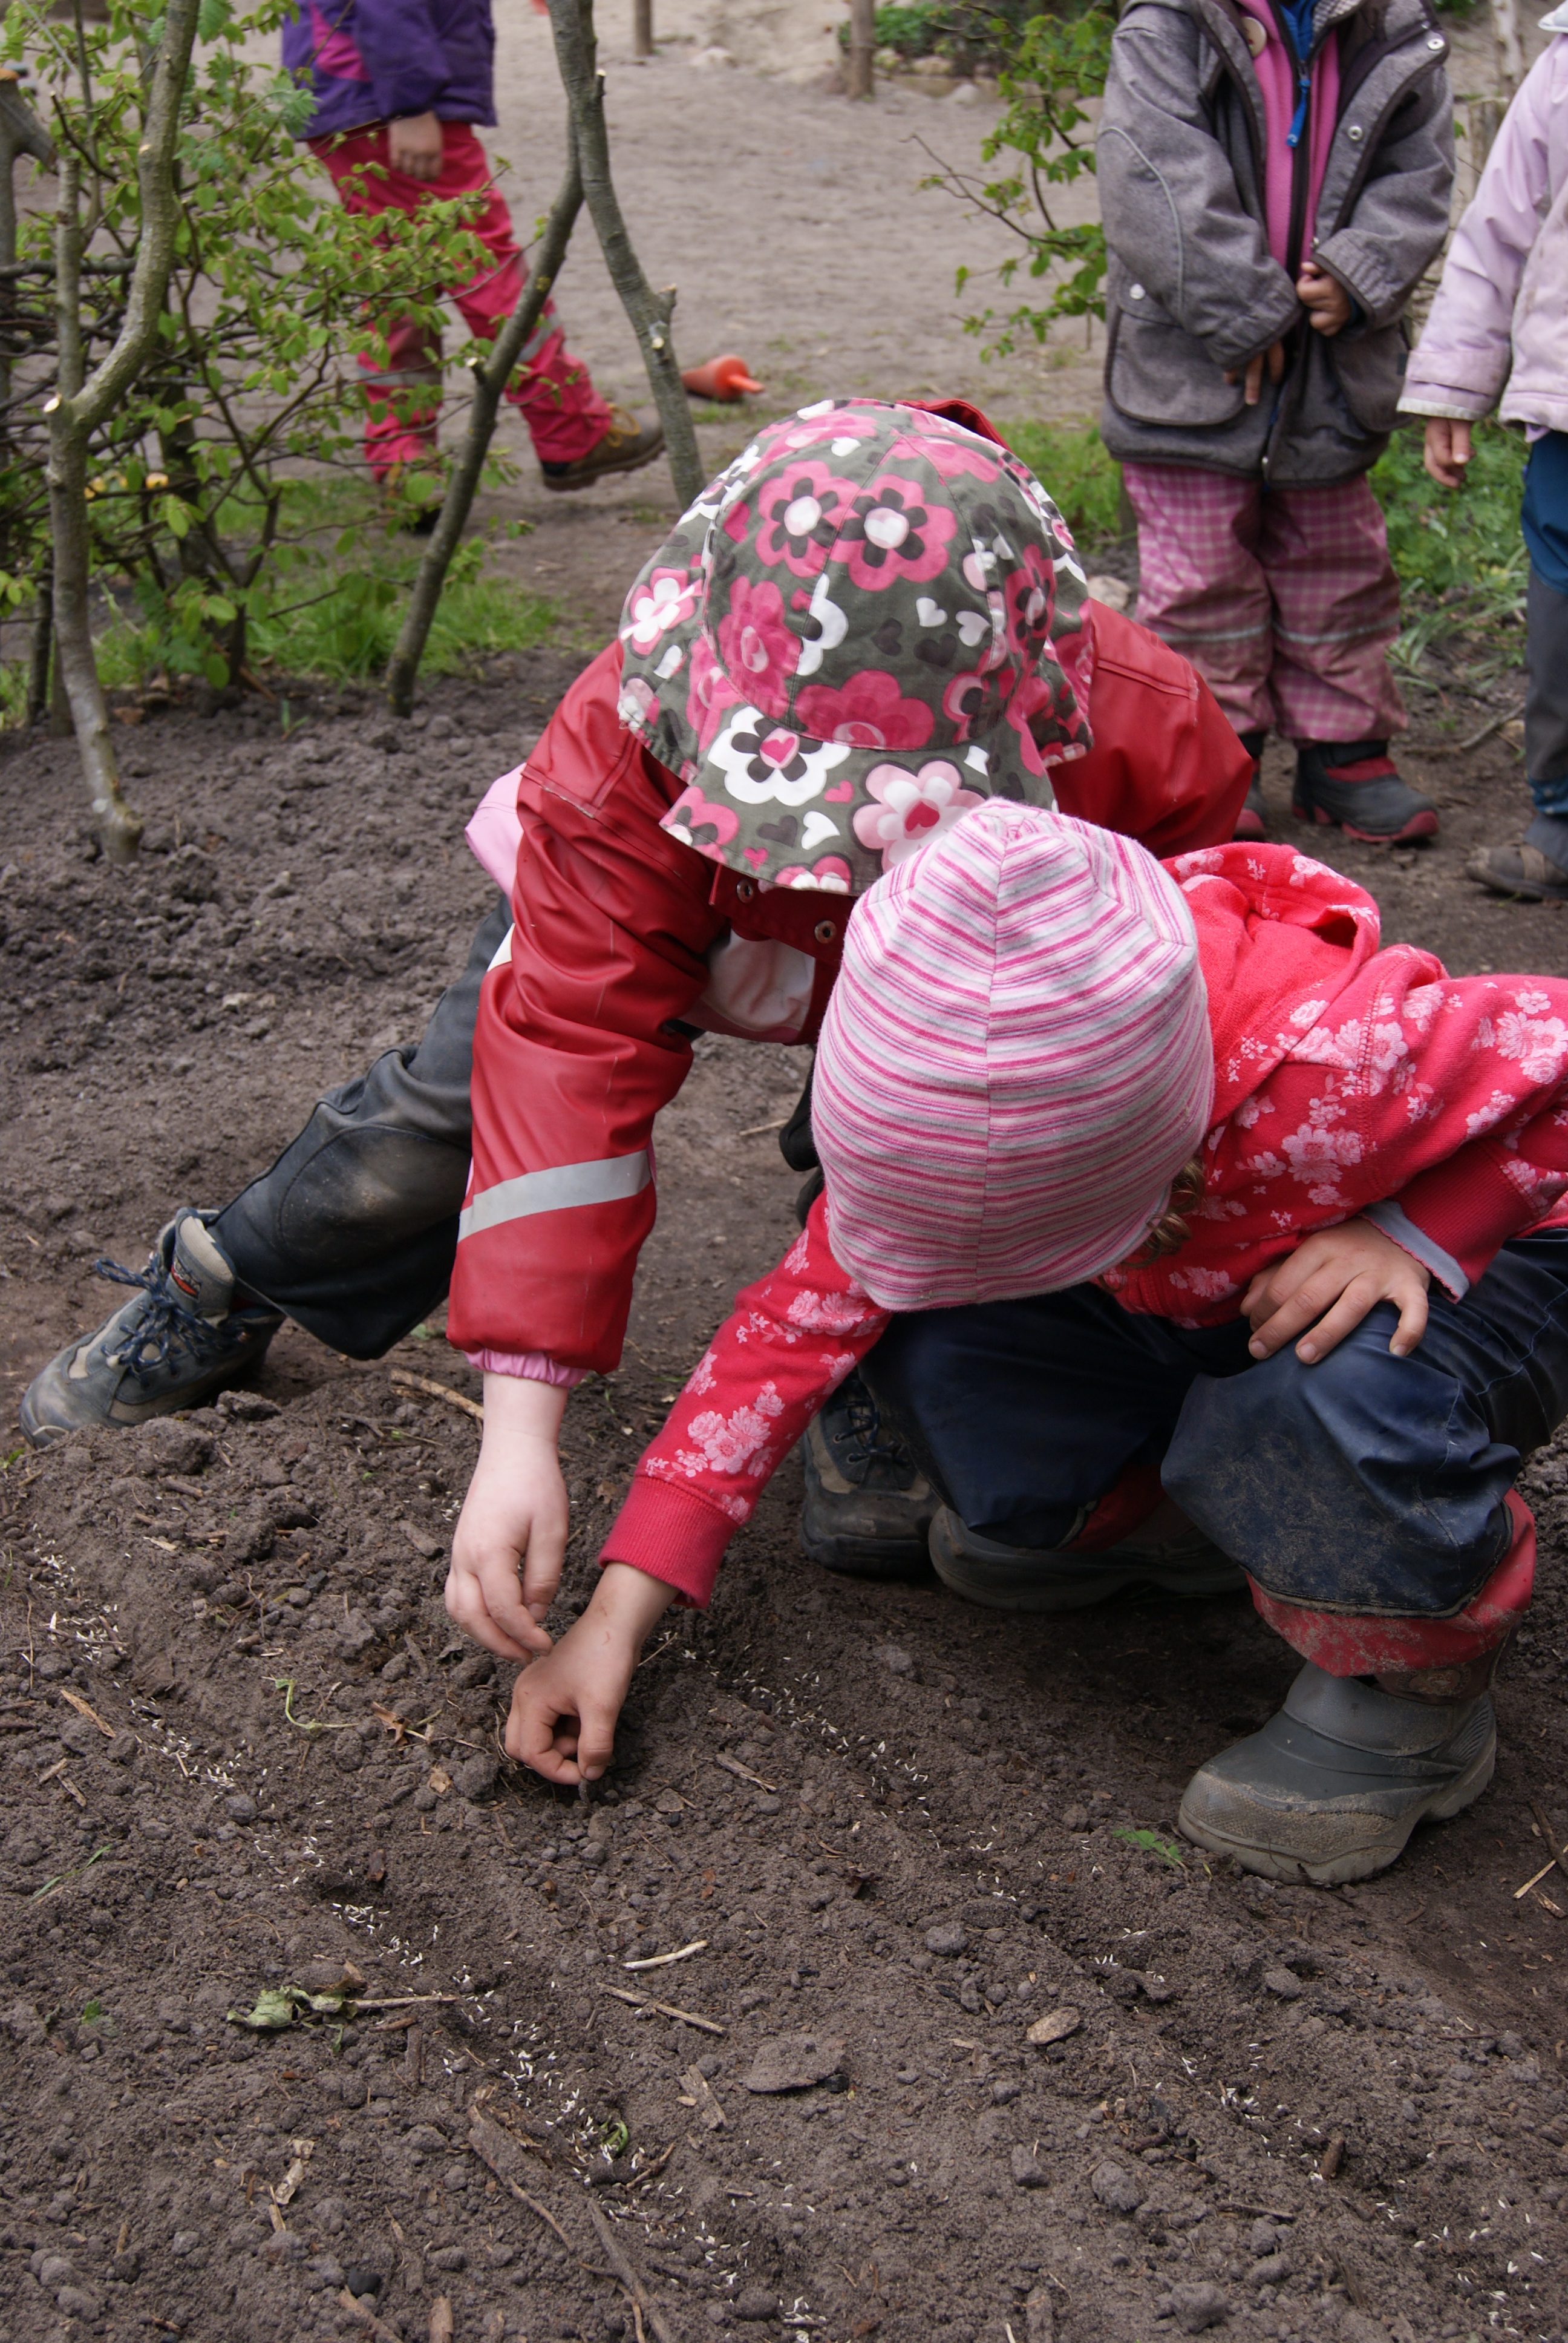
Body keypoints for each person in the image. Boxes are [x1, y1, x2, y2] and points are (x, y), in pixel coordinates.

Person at [22, 399, 1249, 1569]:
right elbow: (568, 1054)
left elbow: (1174, 1004)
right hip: (686, 905)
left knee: (963, 1117)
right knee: (439, 1119)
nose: (848, 841)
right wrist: (520, 1435)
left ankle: (881, 1355)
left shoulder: (1139, 729)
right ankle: (226, 1273)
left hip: (949, 969)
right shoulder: (629, 741)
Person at [490, 801, 1568, 1885]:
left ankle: (1408, 1695)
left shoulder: (1344, 1067)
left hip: (1462, 1269)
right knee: (943, 1350)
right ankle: (1183, 1521)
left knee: (1329, 1395)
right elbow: (779, 1341)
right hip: (1197, 1271)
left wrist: (1419, 1231)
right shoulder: (943, 1110)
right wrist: (611, 1623)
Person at [1096, 0, 1454, 844]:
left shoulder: (1393, 25)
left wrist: (1363, 268)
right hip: (1193, 357)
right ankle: (1220, 757)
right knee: (1201, 579)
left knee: (1337, 562)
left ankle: (1347, 753)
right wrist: (1242, 307)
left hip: (1336, 355)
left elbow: (1421, 171)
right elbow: (1152, 171)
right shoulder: (1168, 23)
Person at [284, 0, 664, 496]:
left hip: (353, 80)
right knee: (484, 267)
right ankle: (572, 431)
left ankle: (403, 459)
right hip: (382, 88)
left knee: (398, 273)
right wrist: (410, 102)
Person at [1397, 8, 1568, 900]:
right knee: (1561, 621)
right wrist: (1453, 386)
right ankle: (1562, 820)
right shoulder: (1565, 65)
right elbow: (1499, 228)